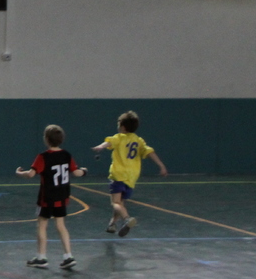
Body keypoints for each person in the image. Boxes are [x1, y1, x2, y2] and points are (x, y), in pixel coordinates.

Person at [16, 125, 87, 270]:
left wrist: (19, 173)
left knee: (42, 224)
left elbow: (30, 174)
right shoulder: (66, 155)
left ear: (46, 140)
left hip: (47, 198)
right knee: (61, 225)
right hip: (62, 197)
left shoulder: (43, 157)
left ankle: (41, 258)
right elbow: (77, 173)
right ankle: (68, 256)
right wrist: (84, 171)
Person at [91, 110, 167, 237]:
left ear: (122, 127)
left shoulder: (119, 137)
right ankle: (112, 224)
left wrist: (100, 147)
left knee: (115, 203)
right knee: (121, 202)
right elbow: (150, 152)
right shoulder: (139, 141)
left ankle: (127, 218)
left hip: (118, 174)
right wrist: (161, 166)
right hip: (131, 176)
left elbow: (109, 142)